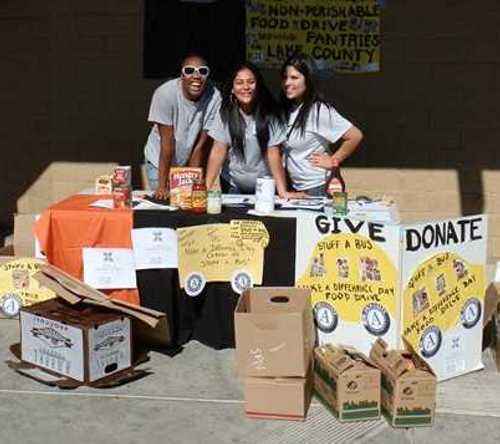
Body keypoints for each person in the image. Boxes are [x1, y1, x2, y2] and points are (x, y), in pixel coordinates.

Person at [205, 62, 300, 198]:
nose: (245, 87)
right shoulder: (224, 114)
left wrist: (282, 191)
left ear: (258, 86)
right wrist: (206, 187)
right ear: (232, 88)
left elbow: (273, 153)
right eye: (239, 82)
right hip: (233, 185)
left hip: (265, 186)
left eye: (251, 82)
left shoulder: (270, 114)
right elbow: (218, 151)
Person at [280, 53, 363, 196]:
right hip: (296, 188)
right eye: (285, 77)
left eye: (294, 78)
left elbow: (355, 136)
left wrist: (333, 160)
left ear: (308, 80)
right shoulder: (288, 109)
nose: (287, 83)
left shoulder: (318, 110)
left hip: (318, 187)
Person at [143, 54, 221, 199]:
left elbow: (200, 146)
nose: (196, 76)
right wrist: (162, 186)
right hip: (159, 162)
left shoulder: (215, 97)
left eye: (203, 71)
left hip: (188, 159)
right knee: (166, 206)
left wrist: (192, 179)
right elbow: (167, 144)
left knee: (189, 202)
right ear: (181, 75)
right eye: (189, 70)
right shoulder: (165, 94)